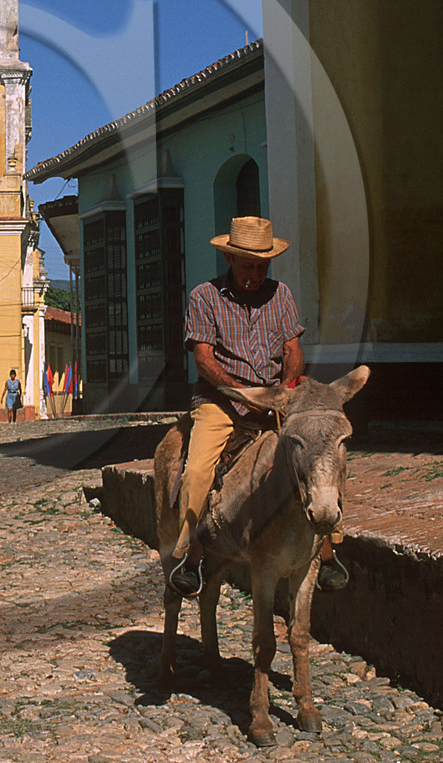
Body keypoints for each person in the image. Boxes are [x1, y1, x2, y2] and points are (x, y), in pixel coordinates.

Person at [168, 216, 342, 598]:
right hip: (220, 400)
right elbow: (204, 361)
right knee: (198, 469)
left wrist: (284, 389)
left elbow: (293, 352)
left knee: (319, 454)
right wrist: (242, 394)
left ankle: (328, 549)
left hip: (276, 398)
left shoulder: (281, 296)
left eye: (262, 266)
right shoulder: (204, 297)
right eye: (248, 265)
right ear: (229, 259)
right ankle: (190, 556)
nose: (255, 274)